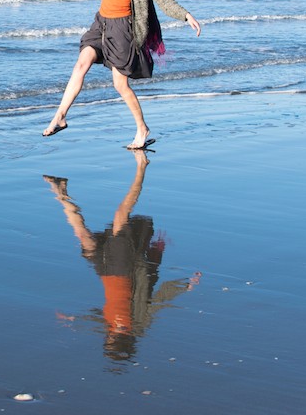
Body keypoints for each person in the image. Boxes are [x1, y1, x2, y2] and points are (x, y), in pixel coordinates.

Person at [43, 0, 202, 149]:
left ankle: (142, 128)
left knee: (120, 84)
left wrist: (185, 15)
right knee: (81, 64)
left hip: (122, 30)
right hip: (101, 25)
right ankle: (60, 116)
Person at [44, 151, 201, 364]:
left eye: (107, 342)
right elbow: (158, 301)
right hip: (124, 266)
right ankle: (141, 167)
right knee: (120, 216)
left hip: (104, 270)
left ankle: (60, 191)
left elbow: (91, 319)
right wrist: (184, 287)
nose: (108, 338)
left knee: (82, 235)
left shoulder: (105, 327)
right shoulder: (139, 323)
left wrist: (73, 319)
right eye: (111, 343)